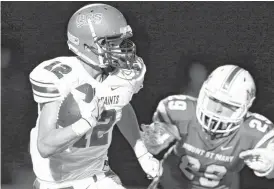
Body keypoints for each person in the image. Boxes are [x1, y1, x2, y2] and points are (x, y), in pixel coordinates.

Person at [29, 3, 159, 189]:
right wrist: (85, 123)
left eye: (121, 41)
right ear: (85, 44)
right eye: (111, 42)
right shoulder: (62, 78)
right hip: (57, 183)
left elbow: (122, 104)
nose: (121, 48)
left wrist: (142, 153)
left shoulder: (123, 75)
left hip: (98, 175)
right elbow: (45, 146)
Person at [141, 65, 274, 189]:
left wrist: (269, 167)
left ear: (245, 107)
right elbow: (150, 148)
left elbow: (272, 173)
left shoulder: (256, 131)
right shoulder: (180, 112)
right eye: (213, 100)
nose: (217, 109)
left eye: (229, 105)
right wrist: (152, 143)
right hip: (170, 185)